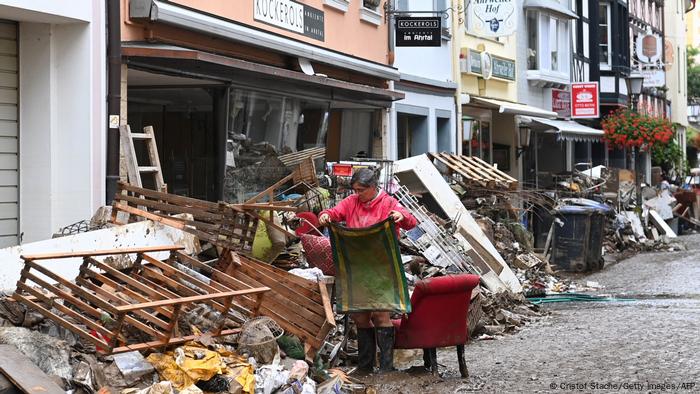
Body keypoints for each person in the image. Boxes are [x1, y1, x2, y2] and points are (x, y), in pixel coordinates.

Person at [319, 168, 417, 373]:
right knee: (361, 318)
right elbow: (334, 212)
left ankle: (386, 367)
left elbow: (411, 221)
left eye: (361, 190)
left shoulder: (388, 202)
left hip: (382, 269)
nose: (357, 194)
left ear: (373, 187)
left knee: (381, 316)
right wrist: (325, 215)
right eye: (355, 190)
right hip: (357, 270)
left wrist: (400, 215)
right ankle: (365, 366)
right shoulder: (351, 202)